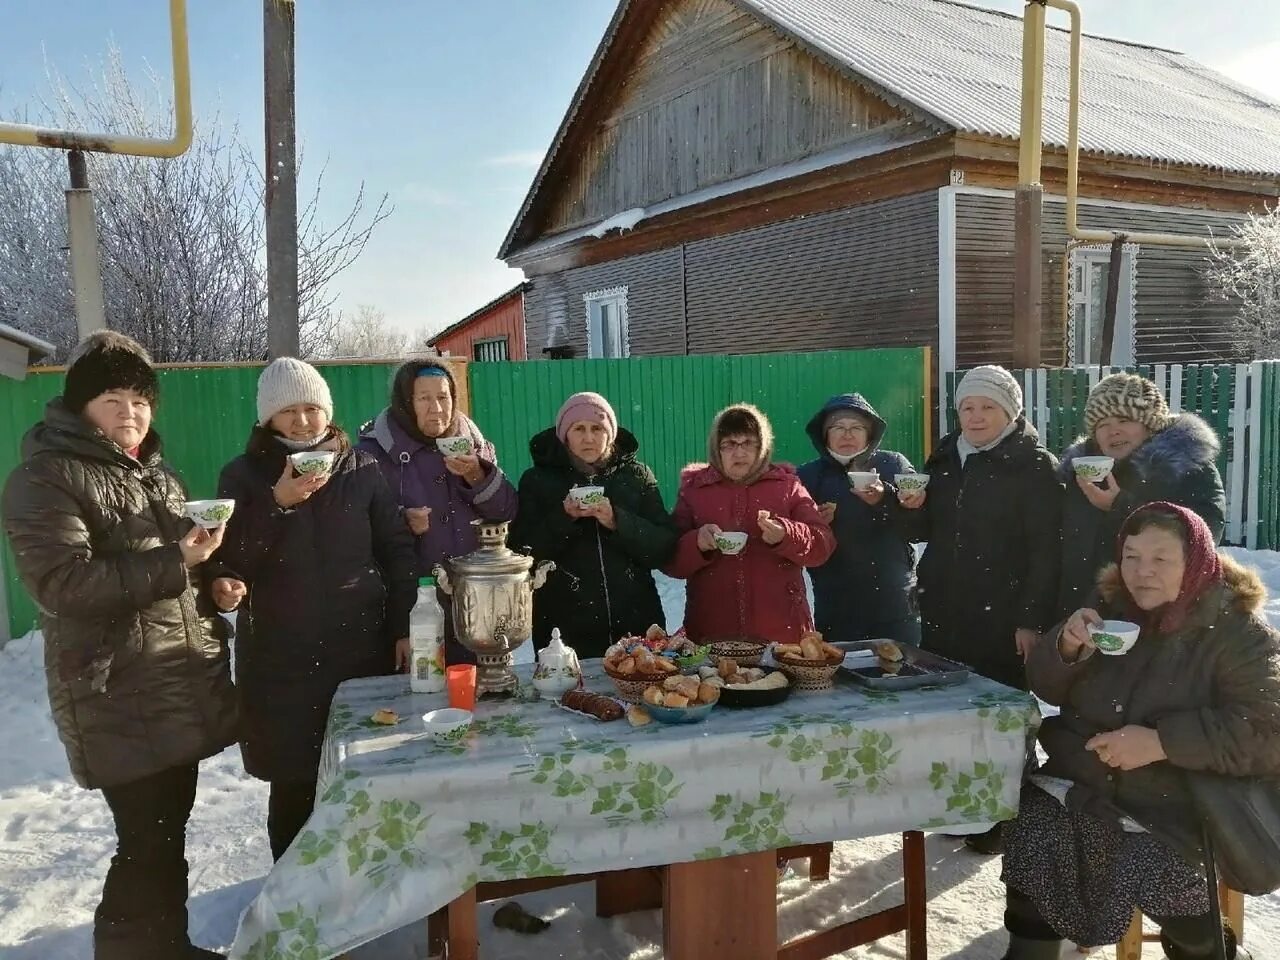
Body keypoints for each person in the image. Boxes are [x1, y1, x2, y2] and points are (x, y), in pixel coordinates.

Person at [1, 331, 238, 960]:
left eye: (140, 399)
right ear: (81, 405)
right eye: (113, 398)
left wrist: (214, 581)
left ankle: (170, 946)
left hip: (172, 685)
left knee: (167, 835)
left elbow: (176, 568)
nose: (131, 412)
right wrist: (177, 559)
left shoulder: (157, 476)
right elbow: (61, 584)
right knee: (144, 841)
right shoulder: (44, 477)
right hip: (115, 689)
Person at [1001, 503, 1280, 960]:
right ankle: (1029, 953)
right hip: (1083, 781)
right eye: (1131, 556)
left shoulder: (1237, 633)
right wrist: (1066, 647)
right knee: (1034, 831)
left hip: (1178, 800)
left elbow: (1268, 731)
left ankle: (1209, 950)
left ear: (1195, 563)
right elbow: (1044, 684)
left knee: (1157, 868)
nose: (1141, 572)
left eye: (1160, 559)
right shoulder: (1110, 612)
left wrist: (1160, 743)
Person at [217, 357, 417, 861]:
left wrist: (401, 627)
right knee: (295, 784)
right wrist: (277, 502)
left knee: (365, 774)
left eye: (312, 409)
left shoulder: (363, 469)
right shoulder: (243, 477)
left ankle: (361, 881)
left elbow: (396, 552)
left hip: (360, 650)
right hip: (281, 658)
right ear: (267, 419)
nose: (304, 422)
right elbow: (229, 560)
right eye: (289, 412)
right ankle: (293, 902)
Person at [895, 366, 1061, 855]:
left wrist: (1031, 620)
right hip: (946, 608)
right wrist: (909, 507)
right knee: (952, 715)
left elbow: (1046, 552)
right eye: (967, 406)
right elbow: (923, 529)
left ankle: (1005, 818)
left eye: (987, 406)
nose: (975, 416)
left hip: (1003, 617)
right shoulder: (946, 458)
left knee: (1000, 721)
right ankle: (963, 806)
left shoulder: (1035, 467)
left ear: (1011, 412)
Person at [358, 360, 517, 663]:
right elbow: (356, 533)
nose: (436, 408)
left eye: (443, 397)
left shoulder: (474, 445)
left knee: (485, 701)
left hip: (478, 605)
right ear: (406, 402)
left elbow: (507, 512)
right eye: (424, 398)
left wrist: (477, 475)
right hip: (413, 607)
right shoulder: (374, 455)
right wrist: (401, 521)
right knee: (422, 697)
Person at [510, 392, 677, 658]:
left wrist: (616, 520)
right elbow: (522, 552)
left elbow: (663, 547)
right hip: (562, 630)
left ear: (609, 433)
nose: (588, 438)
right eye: (579, 429)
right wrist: (564, 518)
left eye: (597, 428)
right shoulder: (537, 481)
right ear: (565, 434)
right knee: (569, 698)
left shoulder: (637, 477)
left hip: (636, 626)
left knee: (639, 694)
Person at [1057, 372, 1226, 618]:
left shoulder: (1186, 467)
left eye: (1124, 420)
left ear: (1150, 425)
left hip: (1157, 615)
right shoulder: (1081, 474)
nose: (1113, 431)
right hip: (1084, 613)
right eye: (1102, 425)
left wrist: (1120, 506)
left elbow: (1201, 536)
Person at [667, 403, 834, 643]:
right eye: (729, 444)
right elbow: (671, 561)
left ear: (762, 447)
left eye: (748, 443)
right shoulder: (695, 490)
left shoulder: (787, 486)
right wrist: (697, 543)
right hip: (712, 631)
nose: (739, 453)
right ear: (717, 449)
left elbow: (823, 544)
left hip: (782, 633)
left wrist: (786, 534)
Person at [797, 393, 919, 644]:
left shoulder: (892, 464)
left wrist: (885, 497)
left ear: (869, 433)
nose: (847, 434)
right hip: (835, 605)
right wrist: (813, 522)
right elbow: (795, 535)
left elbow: (918, 518)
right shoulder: (808, 476)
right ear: (824, 434)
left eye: (856, 427)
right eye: (838, 427)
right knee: (841, 677)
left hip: (894, 603)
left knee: (904, 674)